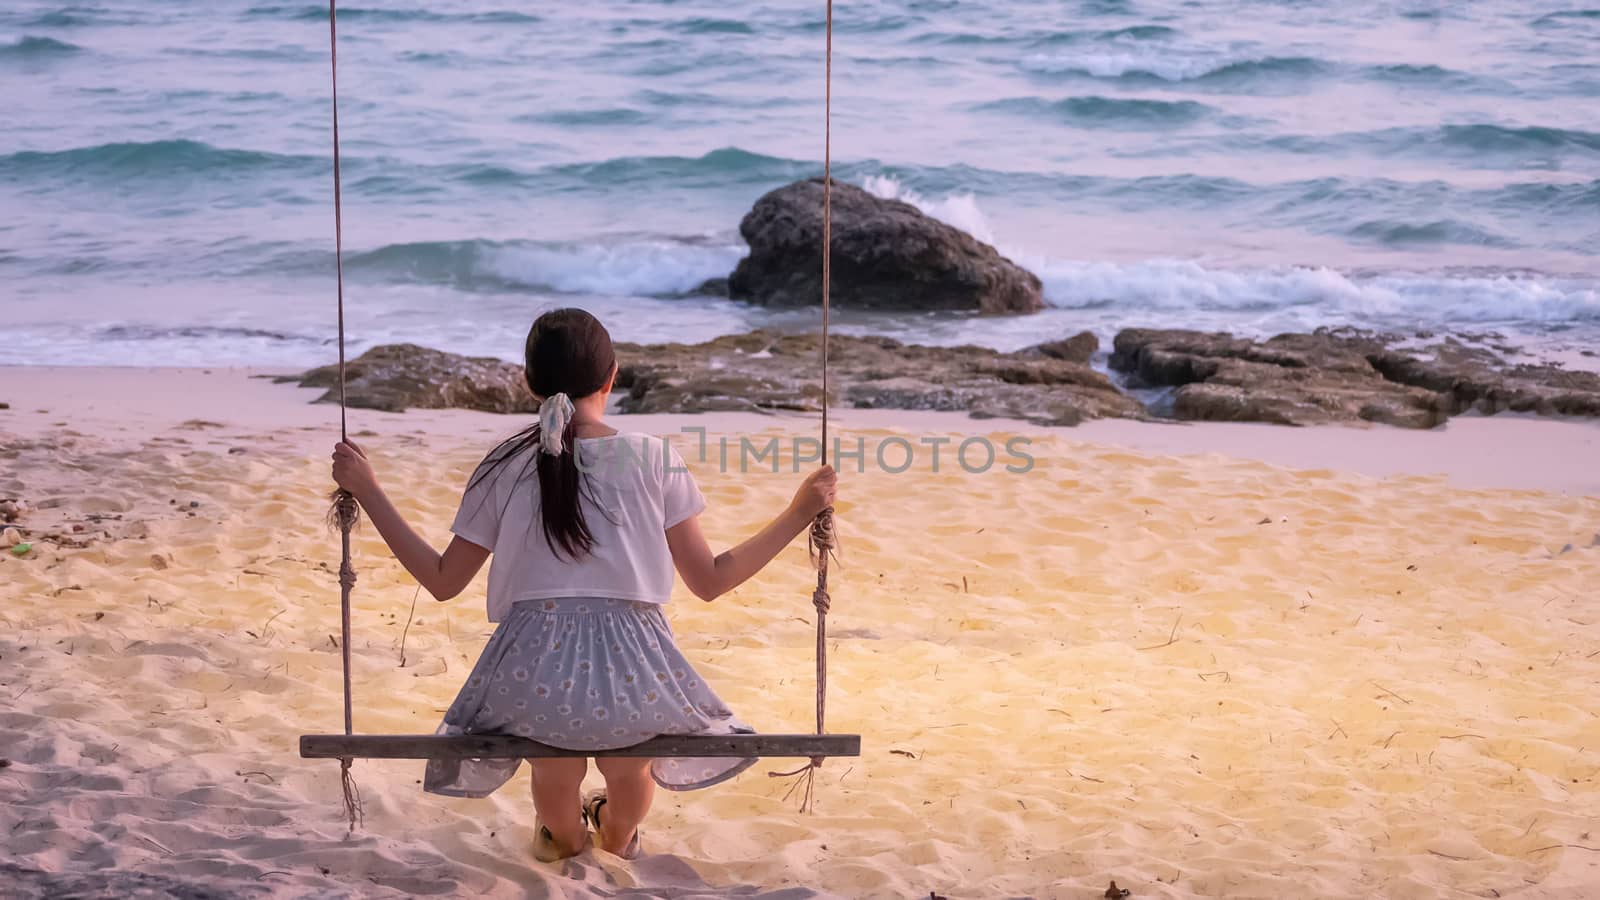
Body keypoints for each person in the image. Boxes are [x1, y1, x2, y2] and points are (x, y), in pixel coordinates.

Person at [330, 307, 838, 861]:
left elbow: (443, 580)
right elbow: (710, 580)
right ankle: (617, 835)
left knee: (553, 766)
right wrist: (798, 512)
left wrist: (369, 490)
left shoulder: (503, 464)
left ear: (527, 382)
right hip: (634, 667)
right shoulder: (654, 457)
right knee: (629, 764)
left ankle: (563, 838)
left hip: (532, 671)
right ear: (612, 377)